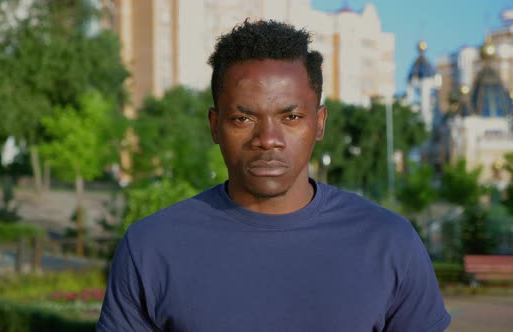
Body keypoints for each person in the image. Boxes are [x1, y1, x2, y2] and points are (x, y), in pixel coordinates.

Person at [97, 19, 451, 331]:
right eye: (243, 118)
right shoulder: (151, 247)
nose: (268, 139)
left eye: (291, 117)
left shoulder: (390, 243)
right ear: (215, 126)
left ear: (320, 123)